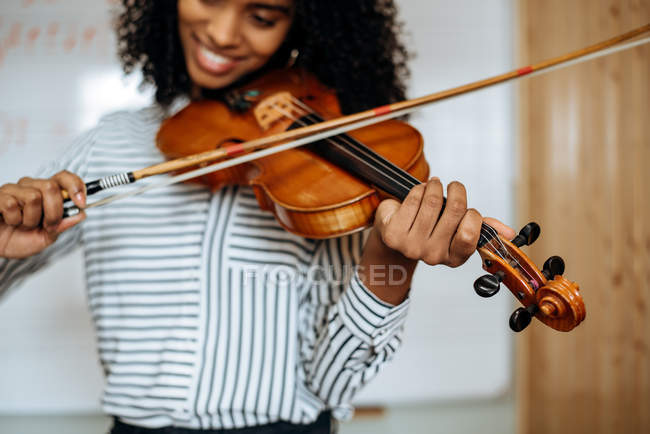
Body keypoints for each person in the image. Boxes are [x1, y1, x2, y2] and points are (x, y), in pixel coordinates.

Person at [0, 1, 514, 433]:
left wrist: (390, 266)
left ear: (303, 24)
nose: (223, 34)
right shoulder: (110, 145)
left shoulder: (330, 172)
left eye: (262, 16)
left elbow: (331, 386)